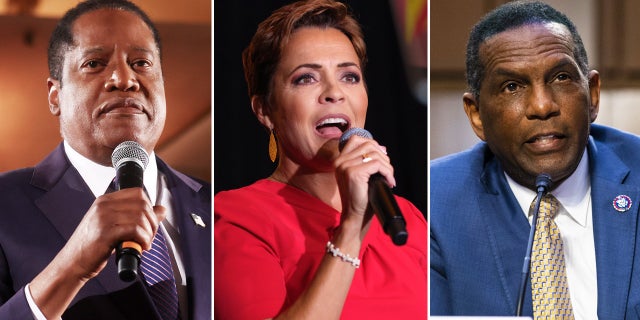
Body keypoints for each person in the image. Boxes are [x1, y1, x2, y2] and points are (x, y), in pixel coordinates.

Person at [214, 0, 427, 318]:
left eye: (350, 77)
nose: (334, 92)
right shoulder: (237, 220)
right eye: (306, 79)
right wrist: (351, 230)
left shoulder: (406, 218)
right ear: (265, 111)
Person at [0, 1, 211, 319]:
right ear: (55, 96)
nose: (124, 79)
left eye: (141, 63)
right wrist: (72, 266)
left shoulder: (213, 204)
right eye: (95, 63)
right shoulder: (5, 203)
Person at [430, 0, 640, 318]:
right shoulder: (435, 204)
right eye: (512, 86)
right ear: (477, 116)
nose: (542, 106)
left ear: (593, 94)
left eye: (561, 78)